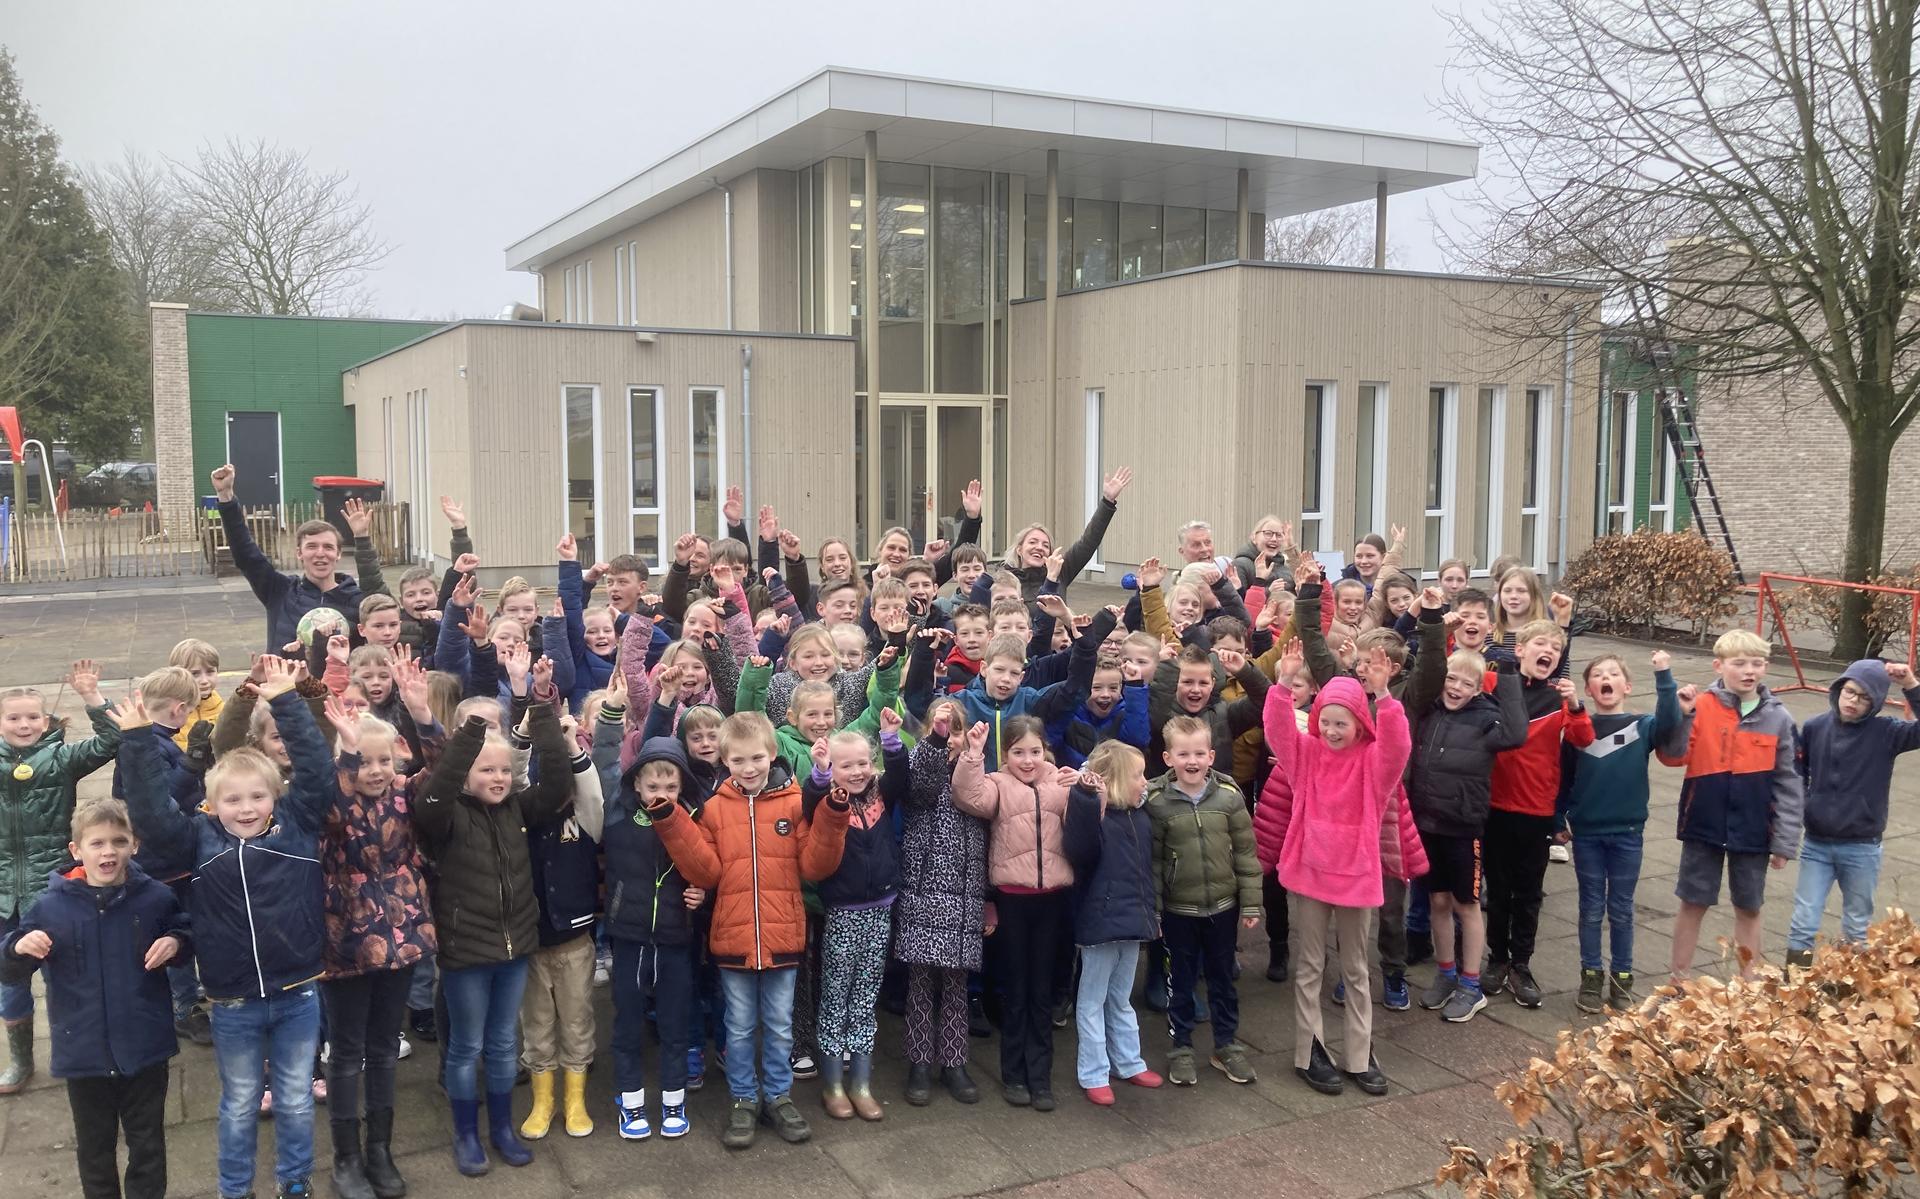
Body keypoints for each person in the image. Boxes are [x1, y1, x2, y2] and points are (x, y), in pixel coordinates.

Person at [119, 657, 329, 1199]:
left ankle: (296, 1183)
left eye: (257, 797)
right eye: (232, 799)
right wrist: (140, 739)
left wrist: (287, 698)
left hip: (298, 990)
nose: (246, 807)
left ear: (274, 797)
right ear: (212, 803)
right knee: (238, 1101)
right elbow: (150, 813)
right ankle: (235, 1189)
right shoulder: (198, 839)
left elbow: (317, 770)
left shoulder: (298, 828)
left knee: (296, 1097)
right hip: (232, 1000)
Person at [643, 711, 851, 1150]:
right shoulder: (715, 809)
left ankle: (777, 1096)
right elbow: (706, 870)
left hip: (783, 936)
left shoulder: (795, 803)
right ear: (725, 761)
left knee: (778, 1026)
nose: (749, 768)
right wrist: (672, 821)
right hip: (733, 940)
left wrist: (832, 815)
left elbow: (817, 865)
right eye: (738, 761)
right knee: (737, 1028)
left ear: (772, 754)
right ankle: (743, 1098)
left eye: (757, 757)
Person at [413, 647, 580, 1177]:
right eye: (487, 770)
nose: (499, 777)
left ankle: (503, 1127)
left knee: (505, 1042)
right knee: (466, 1046)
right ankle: (466, 1134)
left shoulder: (518, 809)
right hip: (466, 950)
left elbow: (556, 783)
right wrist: (469, 738)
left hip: (514, 946)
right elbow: (433, 797)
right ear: (465, 773)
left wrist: (544, 707)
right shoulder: (445, 815)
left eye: (505, 769)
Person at [1, 796, 188, 1199]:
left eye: (118, 841)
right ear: (76, 850)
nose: (108, 852)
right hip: (82, 1052)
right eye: (97, 843)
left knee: (148, 1146)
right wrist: (17, 946)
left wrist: (175, 940)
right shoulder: (51, 908)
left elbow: (185, 933)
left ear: (134, 845)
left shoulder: (154, 897)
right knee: (95, 1149)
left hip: (145, 1048)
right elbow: (11, 966)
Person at [1259, 651, 1425, 1098]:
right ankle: (1308, 1050)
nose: (1332, 731)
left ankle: (1359, 1052)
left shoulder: (1373, 763)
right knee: (1310, 966)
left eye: (1341, 723)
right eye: (1325, 721)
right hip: (1310, 873)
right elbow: (1277, 731)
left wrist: (1385, 695)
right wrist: (1282, 683)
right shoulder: (1306, 754)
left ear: (1359, 723)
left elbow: (1398, 746)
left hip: (1356, 877)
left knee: (1355, 968)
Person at [315, 679, 440, 1199]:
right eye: (363, 762)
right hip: (346, 941)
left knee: (385, 1047)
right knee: (346, 1052)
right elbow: (333, 809)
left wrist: (423, 715)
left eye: (383, 761)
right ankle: (346, 1158)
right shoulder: (334, 800)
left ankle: (381, 1150)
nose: (375, 771)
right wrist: (345, 753)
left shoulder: (407, 795)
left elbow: (447, 775)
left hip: (404, 932)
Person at [1398, 588, 1527, 1024]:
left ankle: (1471, 984)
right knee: (1435, 901)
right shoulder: (1428, 712)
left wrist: (1507, 674)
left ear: (1477, 688)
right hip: (1426, 822)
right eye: (1451, 680)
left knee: (1465, 905)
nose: (1456, 687)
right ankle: (1446, 973)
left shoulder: (1488, 719)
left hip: (1463, 827)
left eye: (1466, 683)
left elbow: (1515, 734)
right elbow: (1418, 666)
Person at [0, 662, 122, 1094]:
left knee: (64, 977)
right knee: (10, 980)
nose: (24, 724)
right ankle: (19, 1059)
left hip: (51, 890)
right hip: (3, 895)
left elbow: (113, 739)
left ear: (46, 721)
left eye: (32, 716)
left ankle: (73, 1050)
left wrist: (92, 696)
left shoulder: (59, 759)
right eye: (13, 717)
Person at [952, 715, 1076, 1111]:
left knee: (1042, 989)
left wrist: (1093, 791)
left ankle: (1040, 1077)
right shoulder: (998, 784)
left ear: (1046, 751)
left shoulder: (1059, 782)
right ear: (1005, 754)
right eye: (1018, 752)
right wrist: (973, 755)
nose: (1027, 760)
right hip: (1012, 896)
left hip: (1051, 897)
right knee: (1016, 987)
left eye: (1035, 751)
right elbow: (968, 796)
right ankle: (1013, 1074)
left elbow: (1089, 822)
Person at [1665, 629, 1804, 980]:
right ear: (1719, 665)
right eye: (1739, 663)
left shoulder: (1780, 718)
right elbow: (1672, 756)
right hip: (1703, 824)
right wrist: (1680, 716)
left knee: (1749, 906)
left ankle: (1748, 986)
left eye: (1756, 664)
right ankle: (1678, 980)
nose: (1749, 671)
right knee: (1692, 902)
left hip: (1755, 829)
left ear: (1766, 667)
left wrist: (1785, 841)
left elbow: (1790, 783)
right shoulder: (1700, 706)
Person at [1555, 650, 1688, 1013]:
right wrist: (1556, 820)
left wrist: (1664, 676)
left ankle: (1622, 977)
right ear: (1588, 689)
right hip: (1587, 834)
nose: (1606, 678)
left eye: (1613, 673)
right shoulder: (1577, 731)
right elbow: (1563, 781)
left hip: (1628, 832)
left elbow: (1670, 725)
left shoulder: (1643, 726)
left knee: (1622, 909)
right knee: (1591, 908)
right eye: (1598, 675)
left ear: (1626, 687)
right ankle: (1591, 975)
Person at [801, 716, 910, 1123]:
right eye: (848, 765)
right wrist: (822, 771)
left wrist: (890, 739)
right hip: (842, 914)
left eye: (864, 762)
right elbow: (809, 803)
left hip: (881, 909)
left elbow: (899, 776)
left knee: (865, 998)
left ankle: (861, 1083)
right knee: (835, 999)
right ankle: (832, 1085)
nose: (858, 771)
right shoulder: (829, 800)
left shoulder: (881, 794)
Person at [1146, 716, 1262, 1087]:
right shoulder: (1158, 802)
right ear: (1168, 758)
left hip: (1223, 908)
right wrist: (1156, 909)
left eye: (1199, 753)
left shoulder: (1229, 797)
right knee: (1179, 982)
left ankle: (1227, 1044)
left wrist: (1251, 903)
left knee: (1222, 979)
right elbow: (1154, 862)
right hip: (1180, 911)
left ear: (1211, 755)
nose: (1192, 761)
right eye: (1183, 754)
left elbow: (1246, 853)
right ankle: (1180, 1046)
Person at [1481, 620, 1592, 1007]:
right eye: (1540, 644)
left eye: (1555, 648)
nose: (1548, 651)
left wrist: (1576, 705)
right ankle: (1496, 959)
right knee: (1496, 890)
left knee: (1528, 894)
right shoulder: (1492, 685)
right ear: (1520, 650)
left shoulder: (1560, 698)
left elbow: (1583, 739)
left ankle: (1521, 964)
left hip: (1536, 808)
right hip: (1494, 804)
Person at [1787, 660, 1920, 966]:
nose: (1853, 701)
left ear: (1875, 704)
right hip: (1817, 844)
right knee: (1803, 921)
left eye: (1864, 698)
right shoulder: (1815, 727)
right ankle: (1792, 987)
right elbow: (1797, 775)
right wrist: (1804, 809)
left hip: (1862, 846)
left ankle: (1851, 988)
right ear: (1838, 689)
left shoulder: (1887, 732)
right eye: (1849, 692)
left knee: (1856, 925)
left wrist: (1911, 686)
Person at [892, 699, 990, 1107]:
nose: (949, 736)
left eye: (955, 728)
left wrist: (990, 900)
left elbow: (993, 838)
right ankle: (918, 1061)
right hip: (923, 887)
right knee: (919, 982)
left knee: (954, 983)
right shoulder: (922, 762)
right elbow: (923, 785)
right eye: (940, 727)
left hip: (965, 894)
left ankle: (954, 1061)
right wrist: (935, 739)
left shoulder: (979, 777)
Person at [1061, 742, 1161, 1106]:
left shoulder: (1140, 816)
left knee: (1121, 997)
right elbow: (1080, 850)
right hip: (1099, 921)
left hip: (1133, 920)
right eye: (1138, 776)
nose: (1145, 782)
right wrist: (1088, 798)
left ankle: (1129, 1061)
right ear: (1116, 781)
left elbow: (1146, 875)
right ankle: (1093, 1071)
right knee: (1091, 1000)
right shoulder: (1094, 816)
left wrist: (1153, 915)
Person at [211, 463, 385, 653]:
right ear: (299, 553)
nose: (320, 553)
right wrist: (226, 498)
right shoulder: (280, 591)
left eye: (328, 547)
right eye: (311, 546)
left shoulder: (357, 600)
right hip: (287, 681)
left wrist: (361, 537)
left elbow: (387, 615)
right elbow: (247, 555)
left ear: (339, 554)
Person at [166, 639, 225, 751]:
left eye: (210, 671)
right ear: (177, 675)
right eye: (195, 674)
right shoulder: (168, 711)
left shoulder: (222, 708)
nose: (204, 680)